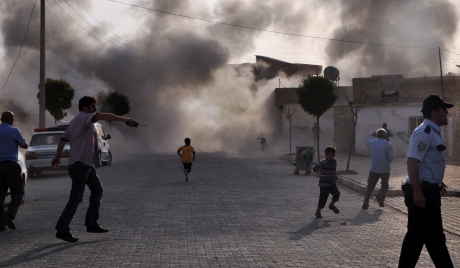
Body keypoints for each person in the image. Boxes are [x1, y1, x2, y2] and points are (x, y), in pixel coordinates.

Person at [51, 96, 137, 243]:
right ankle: (62, 229)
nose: (95, 109)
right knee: (75, 199)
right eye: (92, 106)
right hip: (80, 164)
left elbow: (63, 139)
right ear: (85, 108)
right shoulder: (85, 117)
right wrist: (125, 119)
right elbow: (104, 116)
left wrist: (57, 157)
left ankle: (91, 223)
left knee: (98, 190)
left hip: (85, 164)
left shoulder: (74, 122)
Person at [398, 95, 454, 267]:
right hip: (423, 195)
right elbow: (412, 161)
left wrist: (437, 181)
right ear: (434, 112)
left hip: (428, 190)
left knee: (415, 238)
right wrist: (417, 191)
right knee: (435, 239)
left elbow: (428, 162)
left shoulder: (433, 132)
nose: (447, 112)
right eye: (444, 109)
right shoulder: (425, 133)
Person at [0, 111, 28, 231]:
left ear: (1, 120)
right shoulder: (14, 131)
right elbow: (24, 145)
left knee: (0, 196)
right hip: (11, 166)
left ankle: (1, 224)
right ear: (12, 120)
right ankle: (8, 214)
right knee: (18, 193)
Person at [362, 128, 395, 209]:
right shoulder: (388, 144)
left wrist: (372, 135)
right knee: (385, 185)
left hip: (374, 168)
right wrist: (388, 161)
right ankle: (380, 198)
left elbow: (370, 138)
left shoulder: (373, 142)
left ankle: (365, 202)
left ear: (376, 135)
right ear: (385, 135)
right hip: (385, 168)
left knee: (370, 186)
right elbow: (392, 157)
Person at [312, 146, 340, 219]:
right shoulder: (323, 162)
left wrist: (335, 176)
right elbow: (315, 168)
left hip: (332, 182)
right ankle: (318, 211)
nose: (329, 156)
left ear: (334, 155)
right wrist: (323, 170)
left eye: (331, 154)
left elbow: (334, 169)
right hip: (324, 184)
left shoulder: (335, 162)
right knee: (323, 199)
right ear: (325, 155)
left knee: (337, 193)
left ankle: (331, 205)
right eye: (327, 154)